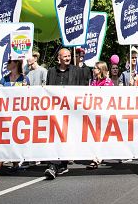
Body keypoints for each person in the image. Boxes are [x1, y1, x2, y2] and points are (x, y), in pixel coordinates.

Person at [44, 48, 89, 179]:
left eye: (69, 56)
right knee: (55, 137)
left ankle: (61, 164)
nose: (68, 58)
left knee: (65, 137)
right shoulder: (51, 72)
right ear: (59, 58)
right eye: (65, 56)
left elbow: (81, 90)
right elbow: (47, 89)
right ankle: (53, 165)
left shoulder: (77, 71)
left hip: (71, 111)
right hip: (55, 111)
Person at [0, 60, 27, 178]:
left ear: (16, 64)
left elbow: (29, 96)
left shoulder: (24, 79)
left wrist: (27, 89)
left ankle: (9, 164)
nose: (7, 64)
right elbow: (0, 94)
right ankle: (0, 165)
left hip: (19, 114)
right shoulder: (4, 79)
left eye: (9, 62)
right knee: (4, 138)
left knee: (12, 138)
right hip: (5, 113)